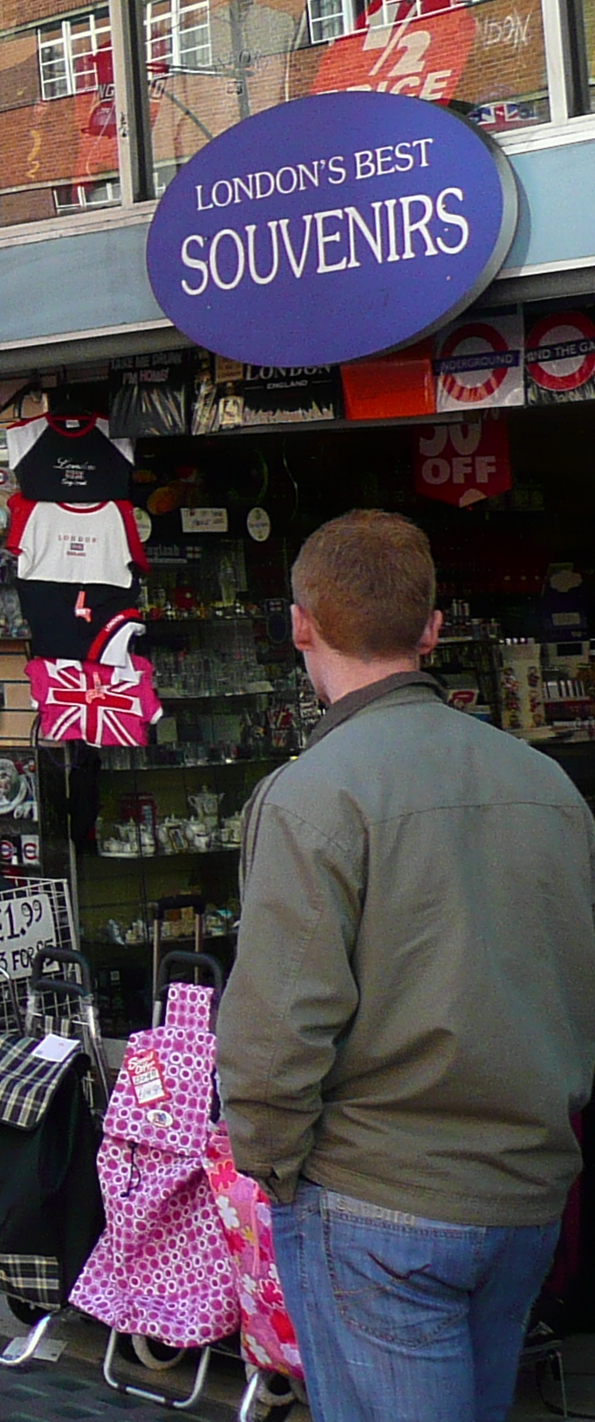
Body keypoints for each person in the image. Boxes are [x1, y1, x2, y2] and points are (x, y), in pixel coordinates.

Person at [220, 510, 595, 1422]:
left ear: (300, 624)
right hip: (524, 1190)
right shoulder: (546, 785)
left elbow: (277, 1027)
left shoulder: (313, 793)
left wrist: (269, 1164)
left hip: (374, 1198)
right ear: (433, 628)